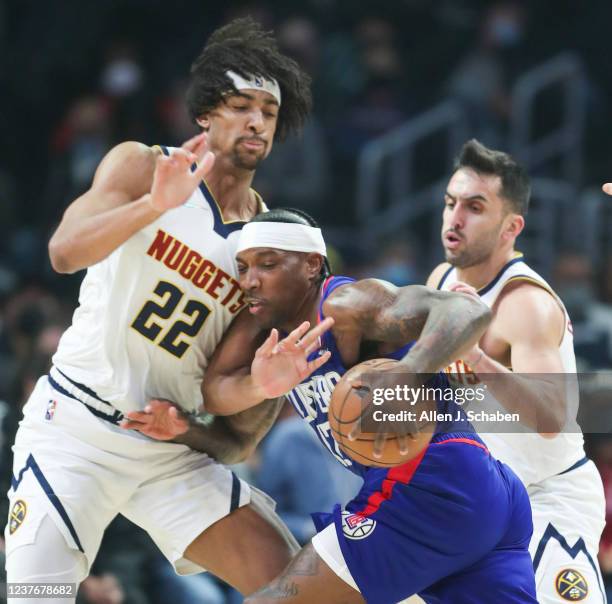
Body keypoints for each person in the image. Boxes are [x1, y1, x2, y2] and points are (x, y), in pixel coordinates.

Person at [5, 18, 318, 602]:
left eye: (268, 112)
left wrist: (201, 422)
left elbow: (233, 424)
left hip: (168, 449)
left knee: (298, 587)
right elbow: (63, 253)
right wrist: (153, 205)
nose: (255, 121)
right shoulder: (145, 166)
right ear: (205, 113)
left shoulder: (269, 246)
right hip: (75, 428)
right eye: (240, 104)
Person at [129, 208, 538, 603]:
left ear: (311, 265)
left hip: (429, 478)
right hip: (484, 493)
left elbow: (467, 310)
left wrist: (407, 372)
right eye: (243, 268)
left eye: (267, 265)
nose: (250, 280)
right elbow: (229, 426)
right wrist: (229, 404)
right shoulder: (271, 339)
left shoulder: (346, 305)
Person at [426, 139, 607, 603]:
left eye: (474, 207)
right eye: (451, 203)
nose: (455, 217)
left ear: (512, 226)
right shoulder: (440, 283)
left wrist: (479, 360)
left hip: (547, 496)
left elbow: (552, 417)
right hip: (480, 498)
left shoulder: (525, 303)